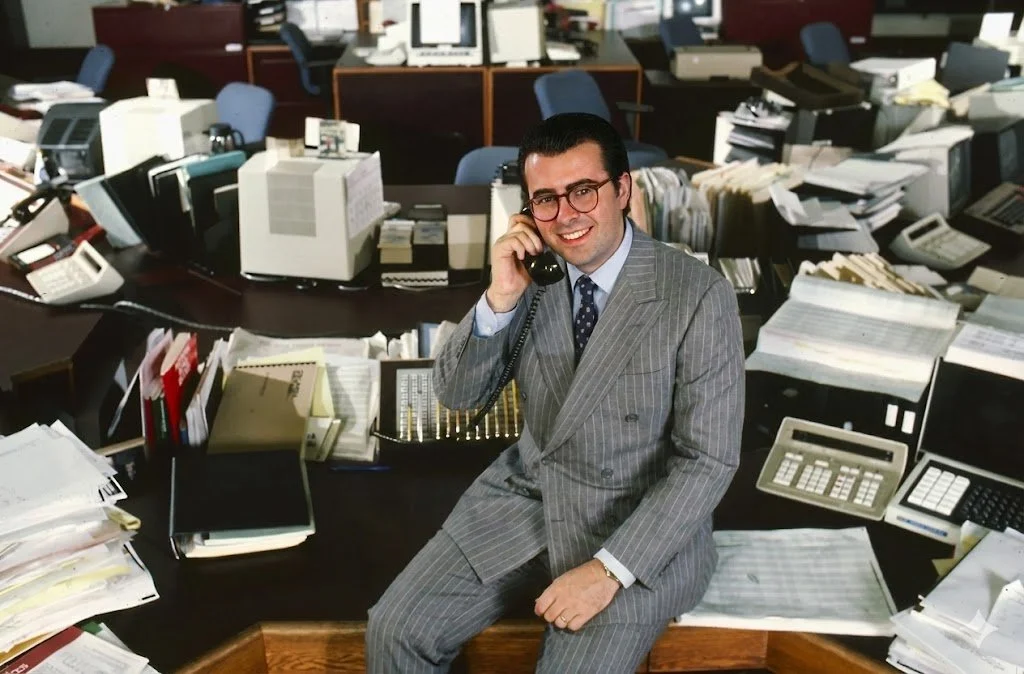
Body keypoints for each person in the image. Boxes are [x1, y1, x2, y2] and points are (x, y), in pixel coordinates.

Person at [366, 112, 744, 673]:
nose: (565, 216)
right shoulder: (532, 275)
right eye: (546, 199)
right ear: (527, 210)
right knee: (395, 631)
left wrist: (609, 570)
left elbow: (707, 461)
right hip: (528, 502)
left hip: (631, 528)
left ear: (621, 190)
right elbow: (458, 396)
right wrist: (500, 297)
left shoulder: (696, 295)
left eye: (583, 192)